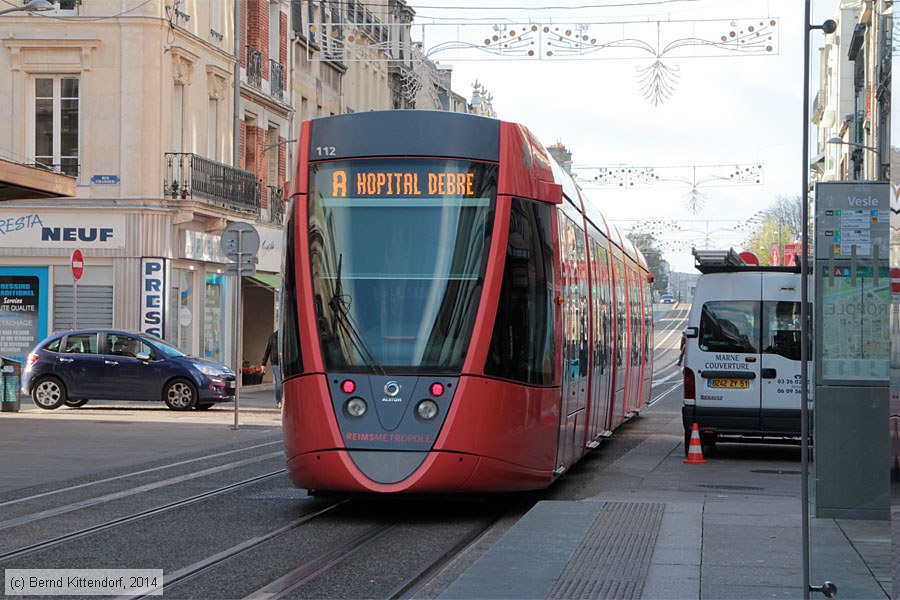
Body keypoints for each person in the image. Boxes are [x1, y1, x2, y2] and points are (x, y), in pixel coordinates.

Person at [260, 330, 282, 409]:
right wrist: (263, 363)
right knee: (279, 382)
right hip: (275, 363)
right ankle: (279, 401)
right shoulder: (273, 337)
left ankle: (283, 400)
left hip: (285, 362)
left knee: (283, 383)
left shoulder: (287, 336)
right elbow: (267, 350)